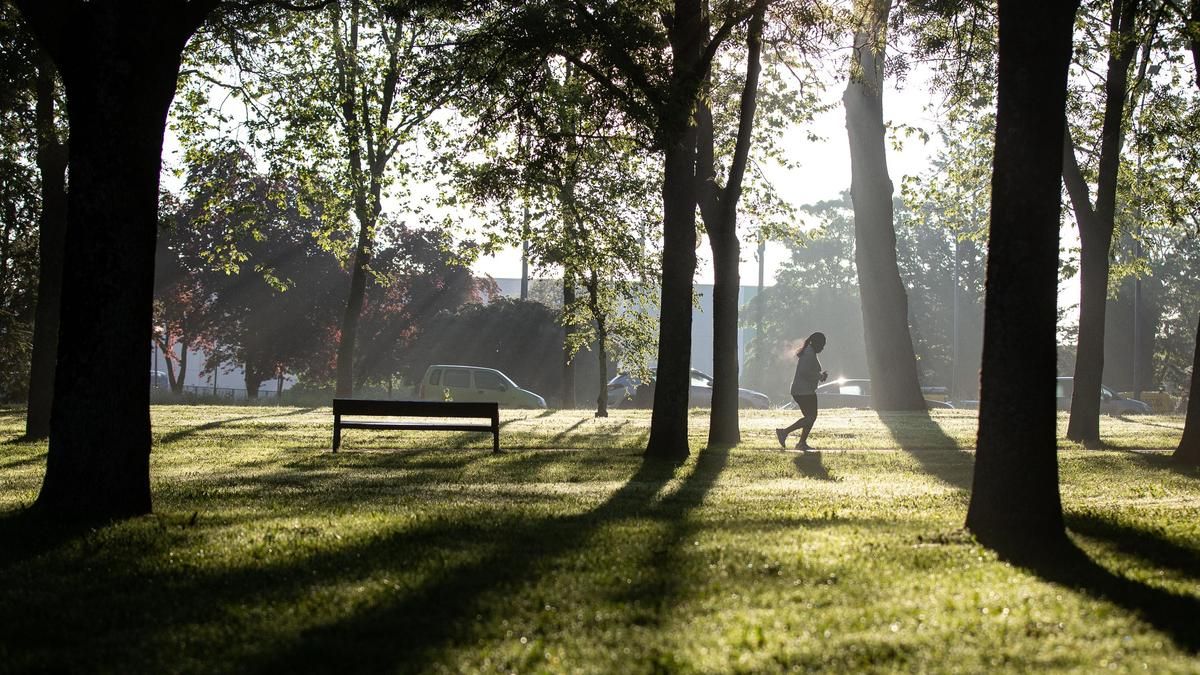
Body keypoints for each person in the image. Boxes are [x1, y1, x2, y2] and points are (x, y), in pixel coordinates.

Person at [776, 332, 828, 452]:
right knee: (810, 417)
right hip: (803, 391)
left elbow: (808, 372)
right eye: (822, 345)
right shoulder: (809, 354)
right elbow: (805, 372)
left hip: (804, 390)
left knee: (810, 417)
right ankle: (784, 432)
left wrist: (819, 376)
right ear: (816, 343)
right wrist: (819, 377)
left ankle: (801, 442)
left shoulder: (810, 352)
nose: (822, 348)